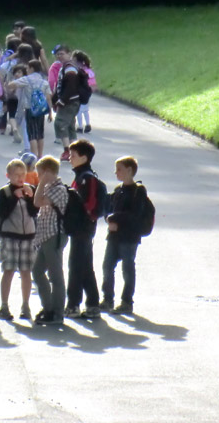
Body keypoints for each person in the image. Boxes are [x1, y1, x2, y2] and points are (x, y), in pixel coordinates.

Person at [101, 156, 148, 315]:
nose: (116, 172)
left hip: (129, 236)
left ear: (130, 170)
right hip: (114, 236)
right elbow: (107, 207)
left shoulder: (138, 191)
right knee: (107, 266)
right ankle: (108, 299)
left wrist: (114, 219)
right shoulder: (118, 190)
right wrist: (108, 218)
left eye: (119, 169)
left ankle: (127, 301)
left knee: (127, 268)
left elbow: (135, 214)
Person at [0, 159, 37, 321]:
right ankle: (4, 305)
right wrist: (14, 198)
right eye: (16, 175)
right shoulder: (4, 192)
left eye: (23, 174)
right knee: (9, 270)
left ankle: (25, 305)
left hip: (28, 235)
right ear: (8, 175)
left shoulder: (30, 189)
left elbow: (33, 212)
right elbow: (2, 213)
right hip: (10, 235)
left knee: (26, 271)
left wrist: (31, 198)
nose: (20, 178)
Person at [65, 139, 103, 320]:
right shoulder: (81, 176)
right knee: (85, 266)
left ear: (84, 157)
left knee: (76, 265)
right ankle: (93, 304)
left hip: (83, 228)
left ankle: (73, 304)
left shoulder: (87, 178)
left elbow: (90, 205)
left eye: (73, 155)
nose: (69, 158)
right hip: (82, 228)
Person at [32, 155, 69, 325]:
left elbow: (38, 202)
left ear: (48, 172)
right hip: (45, 235)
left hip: (55, 235)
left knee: (55, 275)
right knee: (37, 271)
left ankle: (57, 311)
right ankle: (48, 307)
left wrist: (41, 183)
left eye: (40, 174)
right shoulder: (49, 187)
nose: (38, 177)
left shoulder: (58, 189)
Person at [8, 59, 54, 157]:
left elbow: (11, 85)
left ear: (32, 68)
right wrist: (50, 112)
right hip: (41, 110)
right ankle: (40, 155)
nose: (27, 70)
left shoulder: (27, 79)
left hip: (30, 109)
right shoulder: (44, 81)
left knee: (32, 134)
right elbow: (49, 97)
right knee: (40, 134)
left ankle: (33, 155)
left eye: (28, 68)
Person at [54, 50, 83, 161]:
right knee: (70, 125)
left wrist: (62, 100)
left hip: (69, 101)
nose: (59, 56)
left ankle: (67, 151)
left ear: (69, 54)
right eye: (58, 54)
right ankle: (75, 151)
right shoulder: (65, 66)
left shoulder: (70, 68)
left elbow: (71, 86)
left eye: (62, 53)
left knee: (60, 123)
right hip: (71, 101)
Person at [73, 50, 96, 133]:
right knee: (85, 109)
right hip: (88, 92)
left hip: (81, 92)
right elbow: (93, 83)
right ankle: (88, 124)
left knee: (79, 110)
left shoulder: (80, 71)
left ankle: (80, 126)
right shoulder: (89, 71)